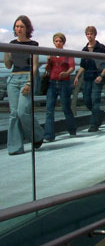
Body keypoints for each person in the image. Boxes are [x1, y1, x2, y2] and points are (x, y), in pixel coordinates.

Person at [4, 15, 45, 155]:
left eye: (22, 26)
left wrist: (29, 82)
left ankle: (37, 136)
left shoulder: (33, 45)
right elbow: (9, 66)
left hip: (27, 78)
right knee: (14, 114)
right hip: (13, 79)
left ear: (27, 28)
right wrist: (5, 52)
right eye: (17, 26)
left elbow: (34, 67)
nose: (19, 29)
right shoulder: (11, 43)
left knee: (23, 111)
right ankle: (15, 147)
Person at [74, 26, 105, 132]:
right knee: (86, 100)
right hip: (87, 78)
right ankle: (99, 114)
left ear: (95, 35)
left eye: (91, 34)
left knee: (95, 100)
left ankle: (93, 124)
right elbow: (83, 66)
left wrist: (101, 75)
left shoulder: (101, 48)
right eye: (88, 34)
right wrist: (77, 76)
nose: (89, 36)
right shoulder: (84, 50)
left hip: (97, 77)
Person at [43, 33, 77, 141]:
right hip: (52, 82)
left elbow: (72, 67)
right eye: (56, 41)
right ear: (54, 42)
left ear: (63, 42)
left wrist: (66, 73)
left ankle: (72, 130)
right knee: (49, 109)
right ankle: (49, 135)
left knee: (66, 107)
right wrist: (48, 60)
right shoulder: (51, 54)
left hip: (64, 83)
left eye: (60, 41)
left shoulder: (67, 53)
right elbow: (48, 69)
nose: (58, 43)